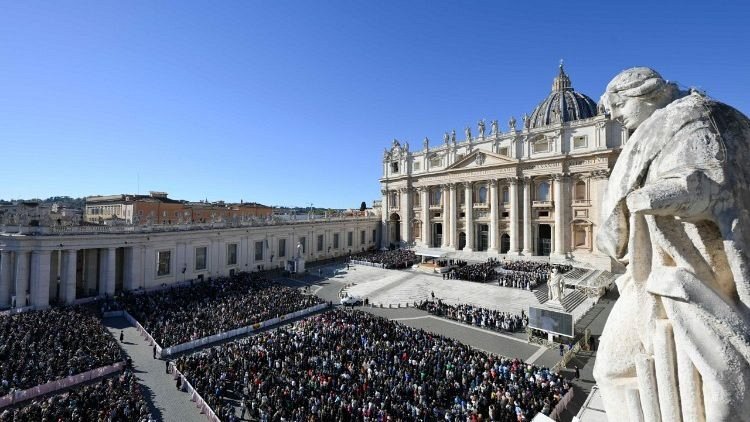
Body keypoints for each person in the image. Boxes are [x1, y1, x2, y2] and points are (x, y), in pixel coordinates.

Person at [595, 67, 750, 421]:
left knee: (715, 394)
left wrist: (655, 196)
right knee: (613, 371)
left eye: (619, 108)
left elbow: (715, 179)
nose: (617, 118)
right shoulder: (664, 127)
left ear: (646, 93)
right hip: (656, 270)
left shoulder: (696, 119)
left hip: (689, 273)